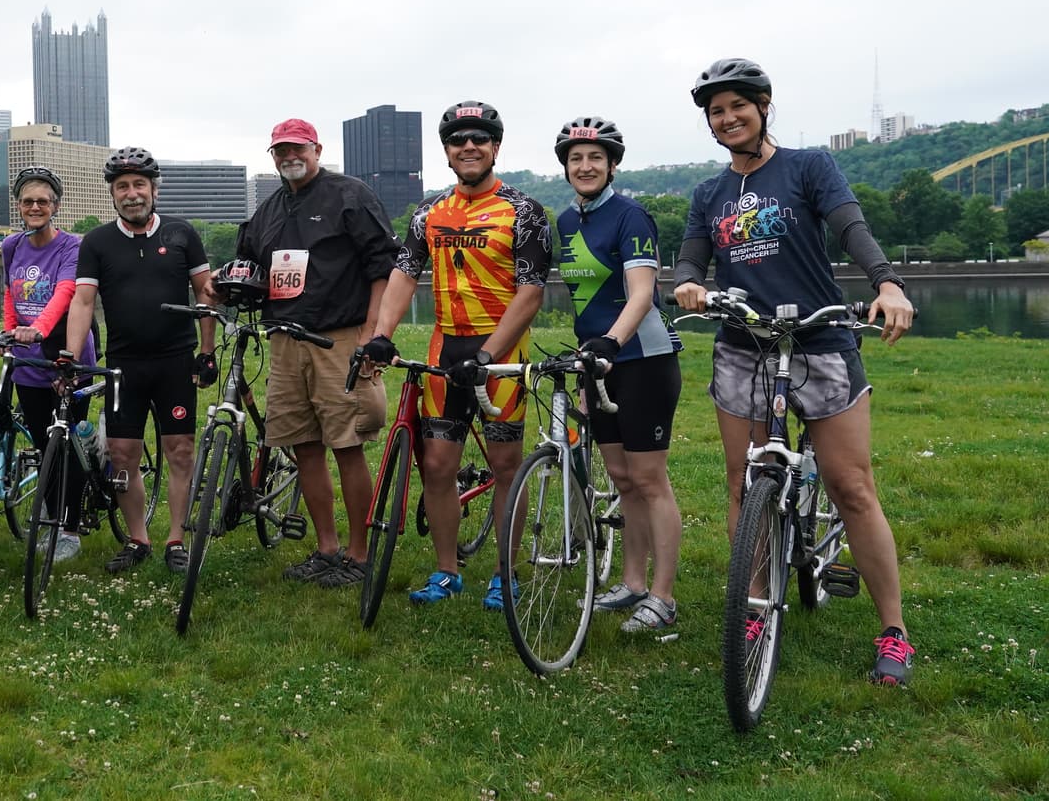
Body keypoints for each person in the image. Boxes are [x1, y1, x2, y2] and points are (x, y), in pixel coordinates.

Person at [672, 57, 917, 685]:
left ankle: (893, 631)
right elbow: (690, 260)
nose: (727, 119)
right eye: (716, 111)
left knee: (851, 486)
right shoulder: (709, 193)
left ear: (763, 105)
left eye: (737, 106)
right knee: (742, 482)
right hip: (743, 347)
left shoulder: (809, 166)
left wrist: (886, 283)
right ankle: (754, 604)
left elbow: (850, 227)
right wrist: (690, 286)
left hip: (821, 341)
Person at [364, 102, 552, 609]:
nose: (469, 147)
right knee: (439, 465)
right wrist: (383, 332)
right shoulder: (429, 211)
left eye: (480, 139)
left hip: (501, 354)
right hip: (447, 349)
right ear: (446, 151)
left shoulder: (525, 210)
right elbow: (404, 275)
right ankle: (447, 571)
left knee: (506, 464)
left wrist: (489, 354)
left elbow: (531, 292)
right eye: (458, 140)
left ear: (495, 147)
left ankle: (505, 575)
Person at [236, 118, 395, 587]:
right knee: (303, 446)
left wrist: (371, 334)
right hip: (285, 341)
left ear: (316, 149)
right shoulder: (269, 209)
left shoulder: (350, 195)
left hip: (339, 337)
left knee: (347, 444)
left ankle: (359, 554)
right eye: (280, 151)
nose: (289, 157)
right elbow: (248, 263)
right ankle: (326, 548)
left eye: (297, 148)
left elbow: (383, 267)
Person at [553, 116, 684, 633]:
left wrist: (612, 341)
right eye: (576, 158)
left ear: (611, 165)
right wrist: (592, 353)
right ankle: (632, 583)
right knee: (623, 480)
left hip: (642, 360)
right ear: (565, 167)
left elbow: (641, 294)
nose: (585, 166)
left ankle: (663, 595)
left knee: (650, 480)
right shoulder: (566, 222)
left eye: (595, 158)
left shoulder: (631, 217)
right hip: (597, 362)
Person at [64, 147, 216, 575]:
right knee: (122, 453)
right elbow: (83, 300)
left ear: (154, 190)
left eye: (139, 185)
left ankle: (175, 540)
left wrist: (206, 352)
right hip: (123, 365)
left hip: (175, 362)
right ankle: (138, 538)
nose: (132, 194)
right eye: (122, 187)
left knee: (180, 450)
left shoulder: (182, 233)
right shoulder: (96, 241)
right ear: (113, 195)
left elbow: (205, 294)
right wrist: (70, 359)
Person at [1, 166, 97, 563]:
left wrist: (38, 329)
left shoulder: (72, 246)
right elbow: (10, 294)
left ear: (55, 206)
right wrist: (10, 333)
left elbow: (66, 293)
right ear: (19, 206)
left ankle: (70, 529)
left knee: (67, 445)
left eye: (43, 201)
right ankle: (54, 509)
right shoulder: (10, 246)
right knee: (44, 445)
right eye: (28, 201)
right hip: (27, 360)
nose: (35, 207)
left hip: (66, 353)